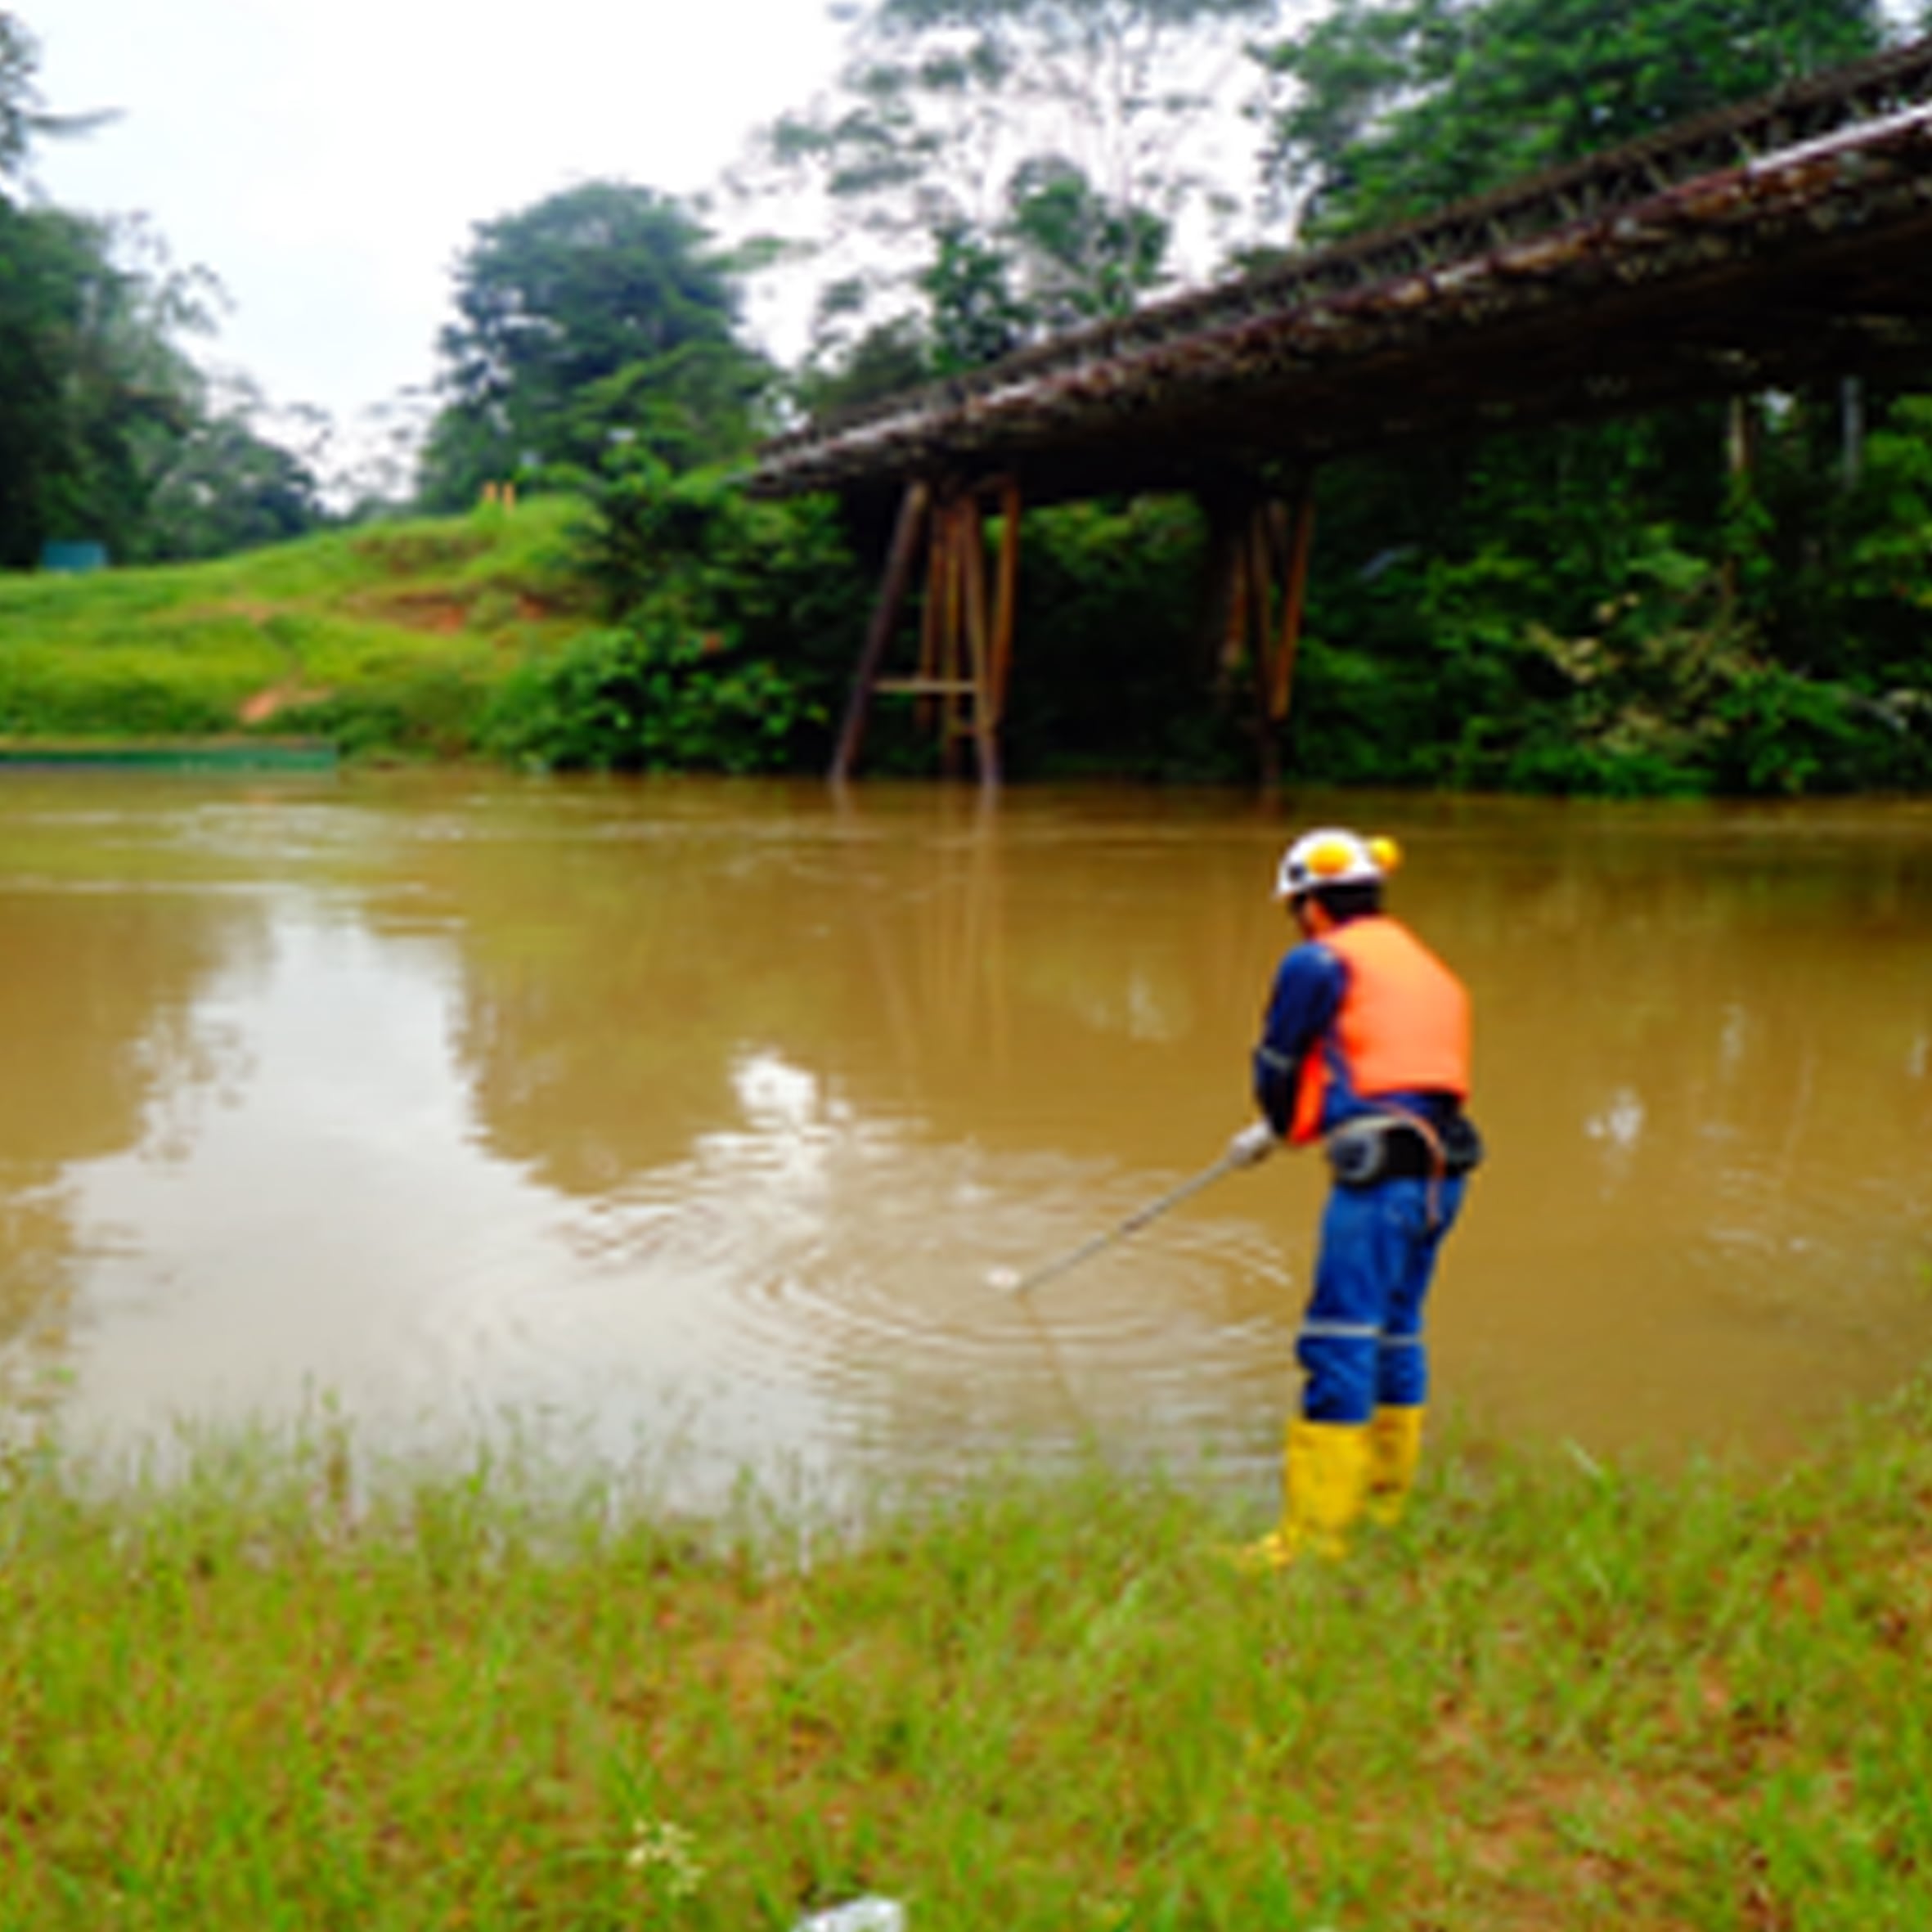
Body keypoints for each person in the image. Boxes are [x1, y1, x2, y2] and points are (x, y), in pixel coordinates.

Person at [1227, 826, 1480, 1569]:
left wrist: (1275, 1126)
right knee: (1398, 1332)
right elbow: (1389, 1067)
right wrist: (1293, 1127)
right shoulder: (1425, 965)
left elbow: (1280, 1061)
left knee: (1337, 1339)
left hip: (1378, 1182)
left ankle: (1313, 1542)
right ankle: (1385, 1509)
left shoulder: (1317, 960)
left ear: (1309, 905)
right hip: (1444, 1174)